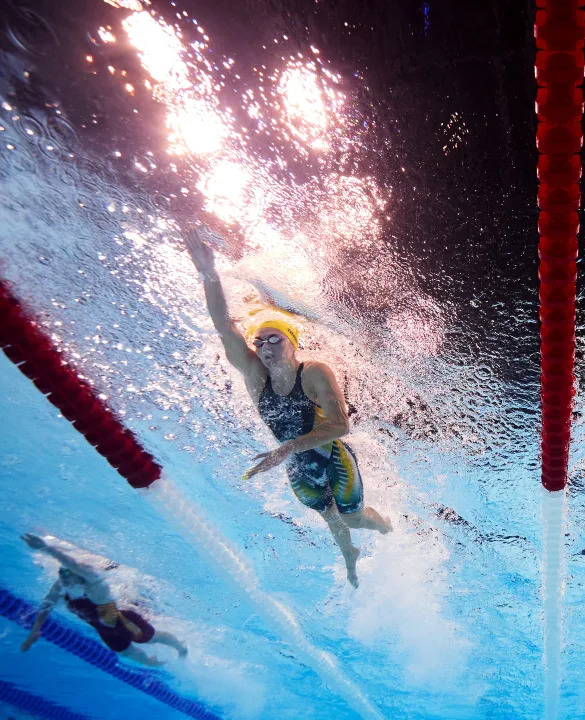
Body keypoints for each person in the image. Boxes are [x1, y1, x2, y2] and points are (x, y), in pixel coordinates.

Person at [182, 226, 392, 588]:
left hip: (331, 459)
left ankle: (390, 527)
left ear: (291, 343)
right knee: (330, 519)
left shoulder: (313, 373)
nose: (264, 345)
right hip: (297, 467)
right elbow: (223, 326)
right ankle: (350, 558)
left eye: (274, 338)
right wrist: (208, 273)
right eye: (259, 340)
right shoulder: (254, 375)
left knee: (353, 519)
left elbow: (341, 426)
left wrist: (288, 448)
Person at [20, 533, 187, 666]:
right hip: (103, 629)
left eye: (67, 573)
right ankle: (152, 663)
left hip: (121, 620)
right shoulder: (63, 584)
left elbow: (73, 565)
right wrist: (35, 629)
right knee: (126, 653)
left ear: (78, 575)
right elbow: (47, 605)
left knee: (152, 638)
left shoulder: (93, 581)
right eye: (61, 573)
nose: (63, 576)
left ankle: (180, 646)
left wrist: (47, 549)